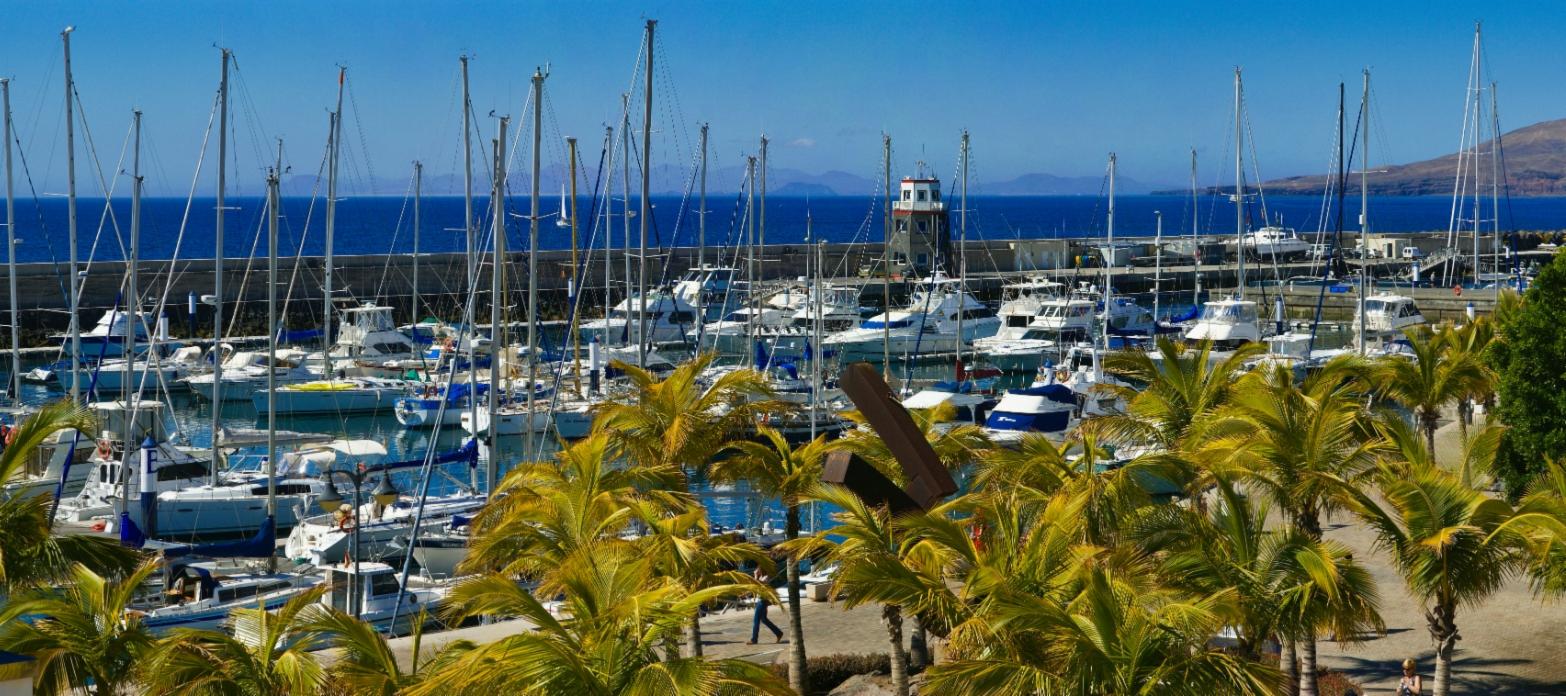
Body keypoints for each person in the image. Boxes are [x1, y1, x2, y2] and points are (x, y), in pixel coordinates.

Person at [747, 565, 784, 645]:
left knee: (756, 620)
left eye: (758, 569)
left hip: (763, 601)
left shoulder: (766, 577)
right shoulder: (760, 577)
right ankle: (778, 633)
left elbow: (760, 584)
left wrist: (755, 576)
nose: (757, 571)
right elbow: (755, 587)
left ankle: (754, 639)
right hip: (761, 601)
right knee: (764, 619)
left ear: (761, 570)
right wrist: (744, 594)